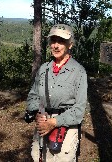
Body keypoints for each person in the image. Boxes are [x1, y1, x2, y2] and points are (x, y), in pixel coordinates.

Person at [25, 24, 88, 162]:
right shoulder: (43, 69)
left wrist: (54, 122)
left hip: (66, 129)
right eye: (53, 41)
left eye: (61, 41)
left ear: (70, 45)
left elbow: (79, 110)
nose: (56, 45)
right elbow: (33, 96)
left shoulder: (79, 72)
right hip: (42, 125)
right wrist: (37, 113)